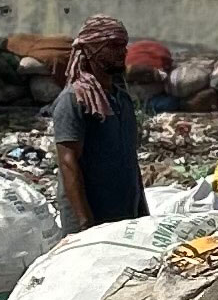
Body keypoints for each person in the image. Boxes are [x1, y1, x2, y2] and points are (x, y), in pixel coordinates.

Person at [47, 13, 149, 229]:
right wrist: (84, 222)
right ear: (90, 49)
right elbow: (68, 162)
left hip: (124, 215)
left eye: (123, 45)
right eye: (113, 45)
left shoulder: (121, 99)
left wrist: (141, 211)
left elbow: (129, 158)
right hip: (91, 218)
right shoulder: (74, 100)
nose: (122, 52)